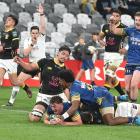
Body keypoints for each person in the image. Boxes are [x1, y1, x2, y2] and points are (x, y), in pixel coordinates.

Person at [57, 69, 140, 126]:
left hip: (103, 97)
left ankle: (134, 119)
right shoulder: (75, 83)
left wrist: (63, 117)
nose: (59, 82)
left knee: (110, 121)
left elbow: (74, 106)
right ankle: (117, 98)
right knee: (84, 106)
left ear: (65, 80)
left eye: (60, 80)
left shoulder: (74, 89)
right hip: (99, 92)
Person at [4, 3, 46, 106]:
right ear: (30, 33)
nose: (35, 34)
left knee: (43, 85)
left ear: (39, 33)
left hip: (42, 64)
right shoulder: (28, 41)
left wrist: (41, 14)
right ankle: (12, 101)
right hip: (31, 65)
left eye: (36, 33)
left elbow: (43, 26)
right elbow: (26, 53)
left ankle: (41, 104)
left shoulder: (42, 38)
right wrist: (32, 43)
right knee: (17, 81)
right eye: (33, 33)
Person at [14, 45, 71, 122]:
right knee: (35, 119)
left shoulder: (66, 70)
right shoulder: (45, 62)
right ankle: (33, 113)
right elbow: (30, 67)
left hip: (58, 96)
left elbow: (66, 89)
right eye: (63, 53)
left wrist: (67, 102)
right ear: (58, 53)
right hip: (44, 96)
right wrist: (20, 62)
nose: (64, 57)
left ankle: (49, 112)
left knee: (68, 116)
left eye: (67, 56)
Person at [110, 11, 140, 102]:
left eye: (139, 20)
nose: (137, 22)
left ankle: (134, 107)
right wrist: (113, 22)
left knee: (134, 85)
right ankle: (131, 104)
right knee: (127, 89)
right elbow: (115, 31)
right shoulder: (130, 30)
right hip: (129, 62)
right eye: (136, 20)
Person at [98, 9, 127, 95]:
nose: (114, 17)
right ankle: (122, 95)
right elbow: (100, 37)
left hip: (117, 55)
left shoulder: (123, 27)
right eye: (113, 15)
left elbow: (115, 31)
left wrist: (126, 48)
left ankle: (101, 97)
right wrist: (101, 41)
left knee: (108, 76)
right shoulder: (105, 26)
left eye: (116, 16)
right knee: (112, 77)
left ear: (120, 18)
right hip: (107, 54)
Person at [0, 14, 19, 91]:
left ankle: (25, 87)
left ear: (13, 23)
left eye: (9, 20)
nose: (7, 20)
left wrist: (3, 47)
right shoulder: (2, 32)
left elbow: (15, 44)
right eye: (7, 19)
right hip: (1, 59)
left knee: (14, 82)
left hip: (11, 60)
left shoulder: (14, 32)